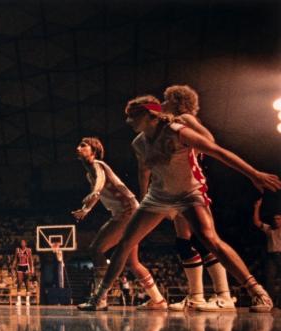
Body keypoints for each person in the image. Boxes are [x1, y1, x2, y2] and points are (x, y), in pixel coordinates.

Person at [78, 95, 280, 312]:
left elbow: (218, 152)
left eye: (133, 116)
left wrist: (253, 174)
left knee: (210, 239)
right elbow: (143, 171)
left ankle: (258, 293)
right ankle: (100, 298)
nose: (128, 121)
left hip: (189, 193)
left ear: (150, 115)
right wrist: (145, 198)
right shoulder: (138, 143)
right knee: (126, 242)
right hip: (158, 197)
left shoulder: (177, 131)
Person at [160, 86, 235, 311]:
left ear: (176, 101)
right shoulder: (174, 124)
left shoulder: (184, 118)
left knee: (206, 239)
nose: (163, 102)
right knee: (184, 241)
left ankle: (224, 295)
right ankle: (196, 296)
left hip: (193, 186)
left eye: (166, 99)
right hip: (180, 187)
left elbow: (210, 140)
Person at [72, 137, 166, 310]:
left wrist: (95, 191)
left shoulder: (98, 164)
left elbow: (99, 183)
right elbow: (97, 195)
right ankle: (158, 300)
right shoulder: (88, 173)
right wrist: (86, 209)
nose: (78, 147)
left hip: (127, 212)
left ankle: (100, 299)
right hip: (130, 212)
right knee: (132, 263)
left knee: (96, 249)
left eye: (83, 145)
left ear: (93, 151)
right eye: (79, 145)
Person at [252, 198, 281, 295]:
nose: (276, 221)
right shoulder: (269, 228)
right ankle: (271, 301)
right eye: (275, 219)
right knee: (269, 279)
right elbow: (257, 222)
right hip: (272, 256)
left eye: (278, 219)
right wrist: (257, 207)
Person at [12, 239, 34, 306]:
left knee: (27, 282)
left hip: (26, 266)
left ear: (26, 243)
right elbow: (15, 259)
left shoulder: (29, 250)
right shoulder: (17, 250)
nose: (22, 243)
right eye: (21, 242)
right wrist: (13, 267)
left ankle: (27, 301)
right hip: (20, 266)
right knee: (19, 282)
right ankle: (19, 301)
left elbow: (30, 260)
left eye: (24, 242)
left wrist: (31, 269)